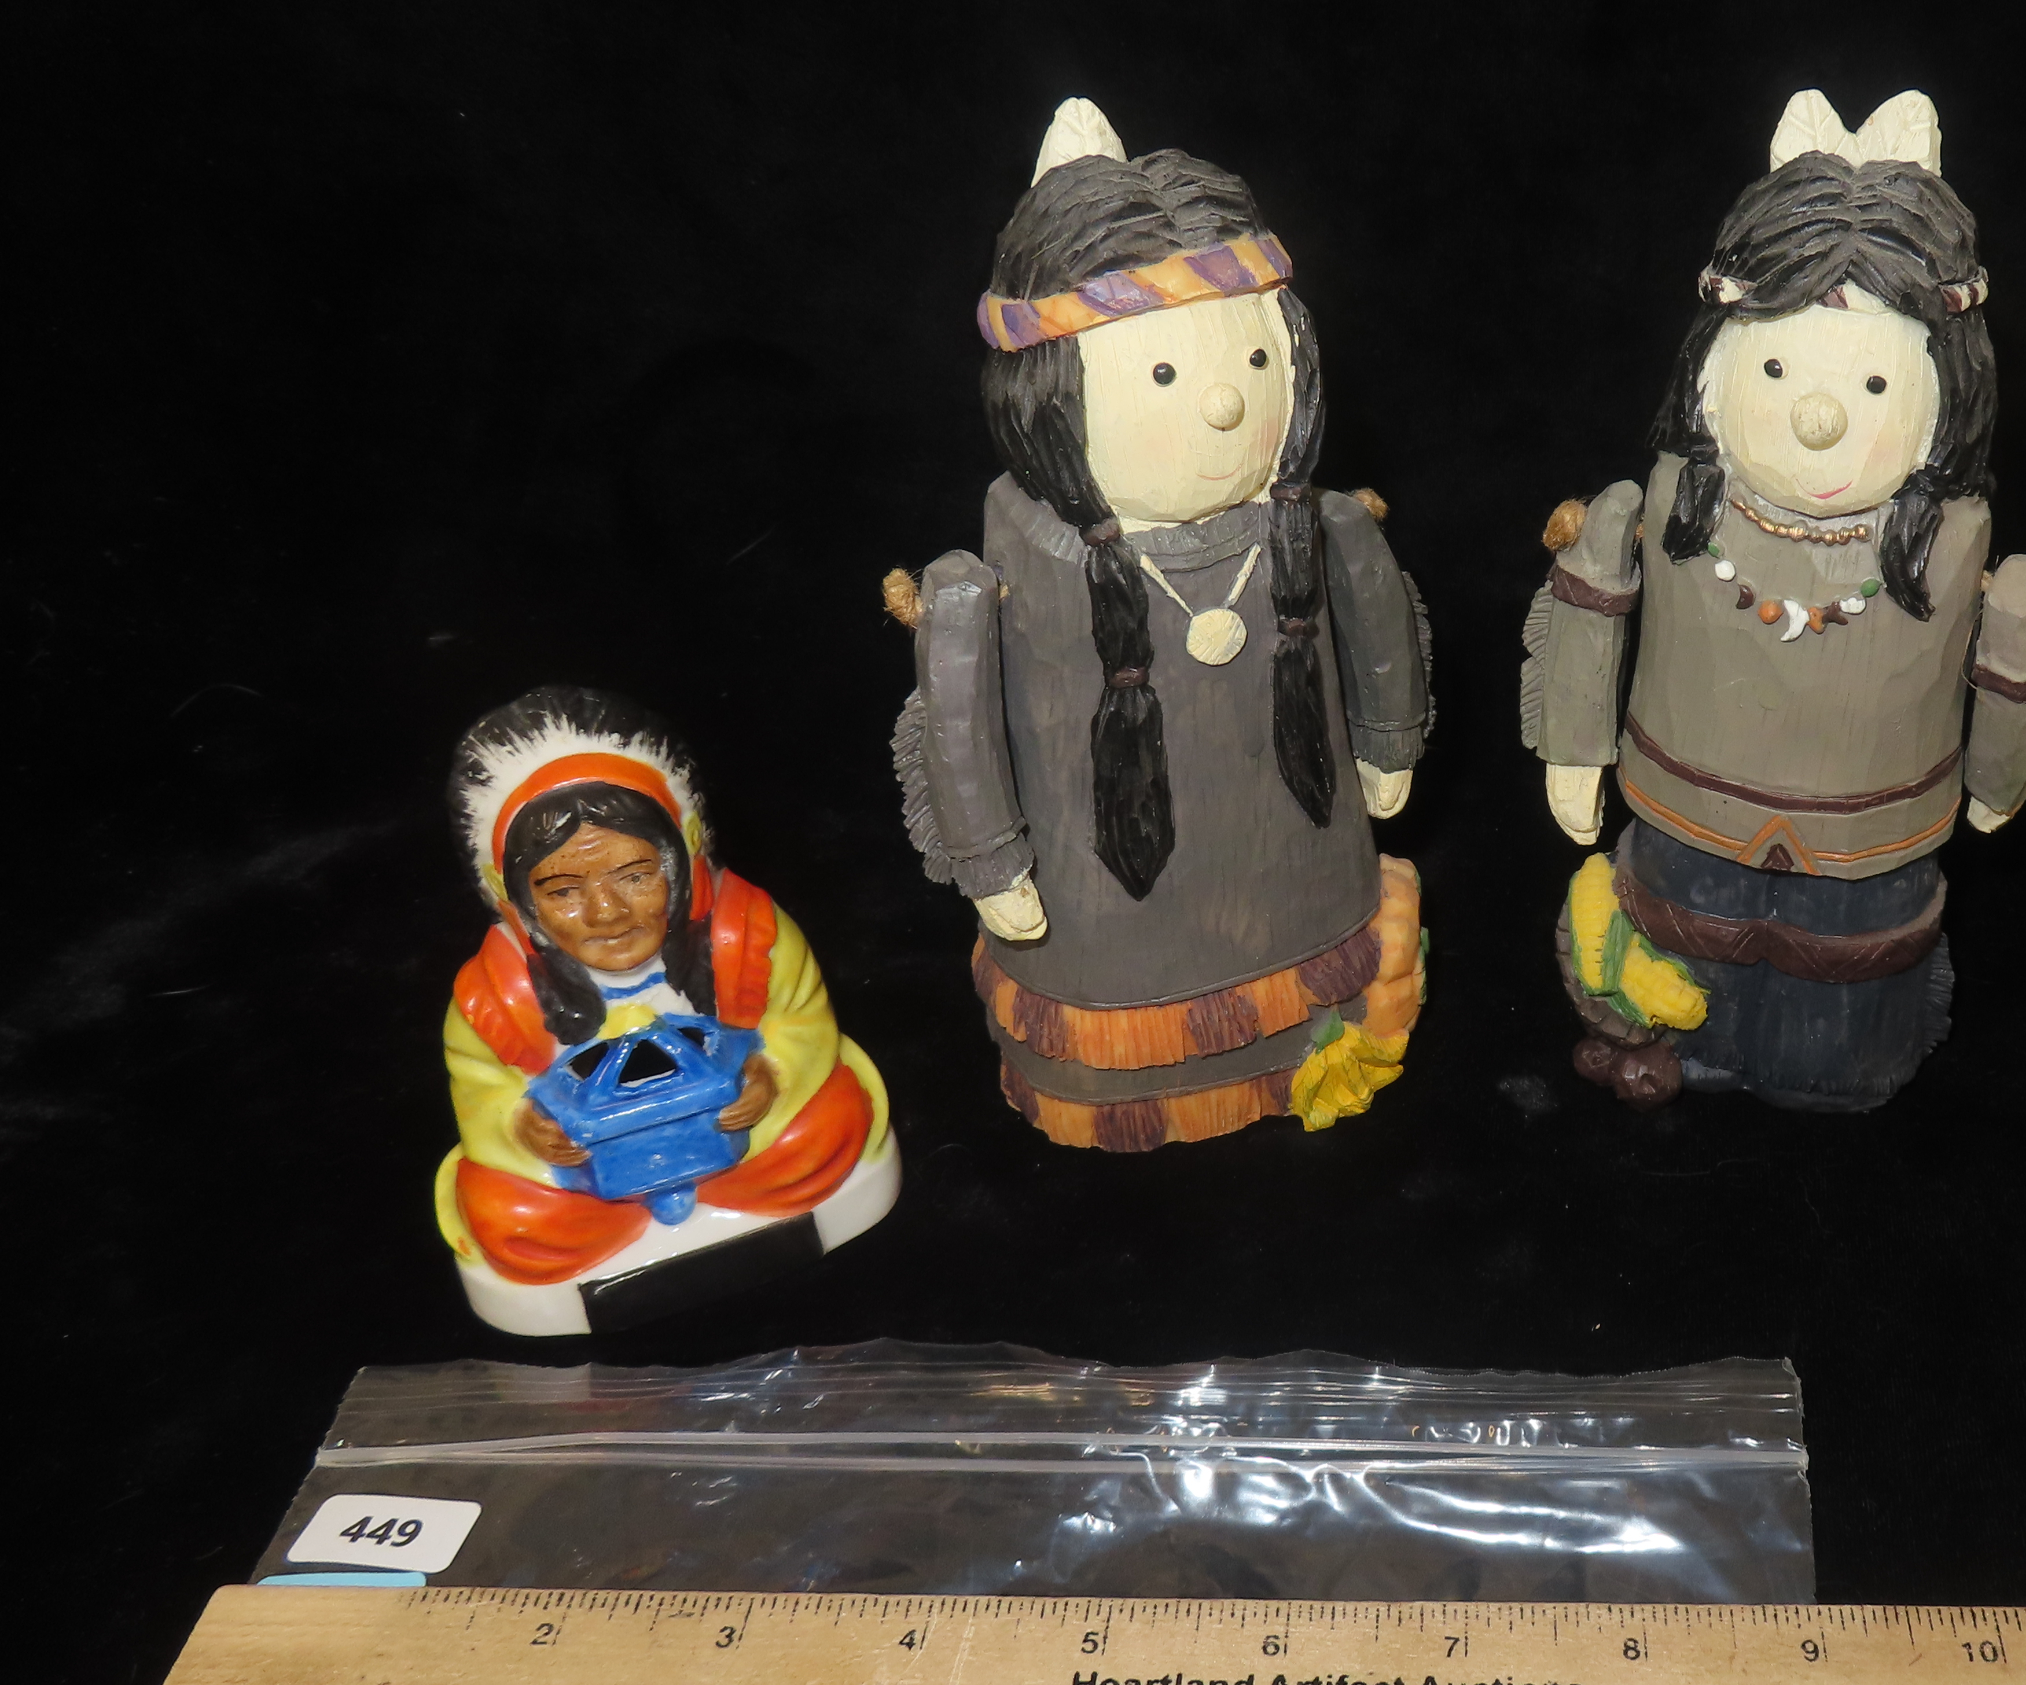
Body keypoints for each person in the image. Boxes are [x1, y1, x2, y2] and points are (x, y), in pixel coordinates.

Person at [1522, 90, 2026, 1111]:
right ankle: (1680, 1045)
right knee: (1679, 933)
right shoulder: (1674, 504)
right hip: (1687, 804)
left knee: (1845, 984)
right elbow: (1594, 600)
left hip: (1873, 834)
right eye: (1777, 367)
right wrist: (1576, 748)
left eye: (1873, 387)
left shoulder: (1951, 540)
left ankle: (1829, 1069)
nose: (1818, 417)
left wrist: (2002, 768)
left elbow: (2013, 655)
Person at [892, 100, 1429, 1151]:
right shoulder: (1017, 567)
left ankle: (1311, 1051)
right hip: (1109, 911)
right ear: (1045, 396)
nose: (1225, 405)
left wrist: (1387, 740)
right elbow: (960, 723)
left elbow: (1375, 617)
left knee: (1329, 970)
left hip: (1307, 864)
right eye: (1167, 373)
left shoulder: (1307, 525)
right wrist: (992, 861)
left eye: (1252, 362)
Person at [438, 686, 894, 1332]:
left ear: (683, 858)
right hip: (594, 1177)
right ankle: (617, 1229)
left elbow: (800, 1022)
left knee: (831, 1127)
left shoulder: (749, 934)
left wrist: (771, 1077)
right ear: (513, 898)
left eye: (634, 875)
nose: (606, 913)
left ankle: (734, 1196)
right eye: (564, 890)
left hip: (741, 1142)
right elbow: (484, 1094)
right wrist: (527, 1129)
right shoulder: (494, 994)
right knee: (507, 1220)